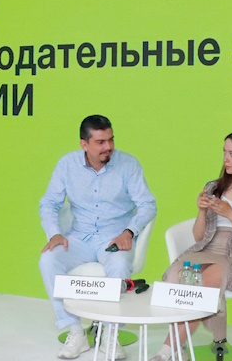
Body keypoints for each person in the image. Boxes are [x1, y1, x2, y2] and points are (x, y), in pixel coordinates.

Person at [148, 130, 232, 361]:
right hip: (206, 249)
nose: (225, 159)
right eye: (224, 152)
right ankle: (180, 345)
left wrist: (230, 214)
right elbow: (199, 236)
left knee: (198, 288)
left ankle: (165, 352)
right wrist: (201, 211)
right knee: (174, 277)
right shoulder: (213, 187)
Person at [39, 115, 157, 360]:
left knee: (119, 264)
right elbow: (49, 203)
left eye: (111, 140)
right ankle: (75, 331)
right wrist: (54, 233)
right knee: (48, 260)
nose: (108, 147)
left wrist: (129, 232)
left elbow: (148, 204)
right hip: (79, 236)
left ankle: (110, 333)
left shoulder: (128, 165)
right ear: (84, 144)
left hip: (114, 238)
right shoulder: (67, 165)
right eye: (101, 142)